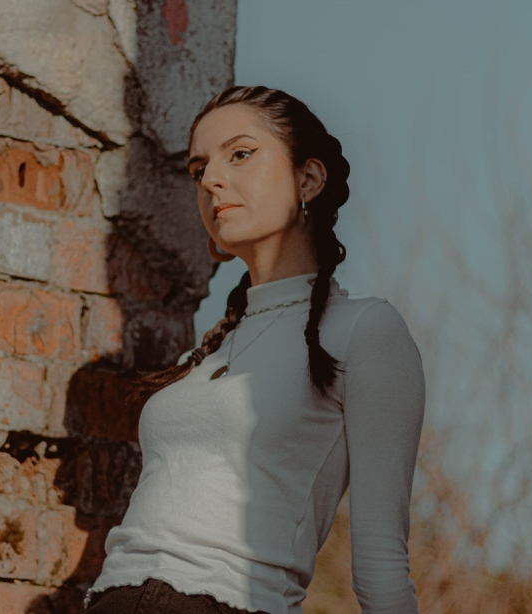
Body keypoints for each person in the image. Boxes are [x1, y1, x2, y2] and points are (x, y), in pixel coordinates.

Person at [82, 86, 426, 614]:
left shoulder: (364, 330)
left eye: (240, 154)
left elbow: (380, 565)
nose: (211, 180)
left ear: (308, 179)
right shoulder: (208, 352)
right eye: (199, 169)